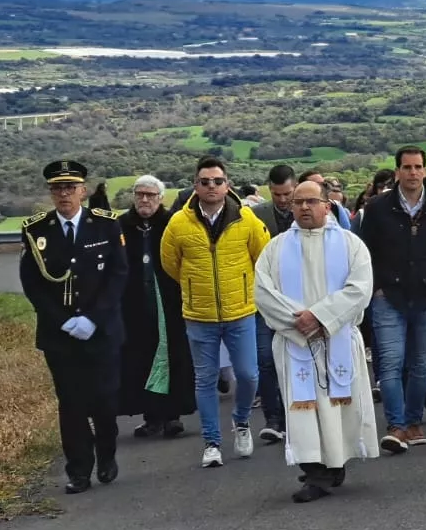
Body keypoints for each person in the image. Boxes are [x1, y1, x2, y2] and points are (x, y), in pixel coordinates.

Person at [254, 181, 381, 503]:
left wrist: (322, 317)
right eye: (298, 203)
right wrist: (301, 321)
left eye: (311, 201)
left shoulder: (351, 244)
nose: (304, 208)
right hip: (295, 341)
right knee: (304, 409)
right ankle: (315, 470)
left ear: (327, 205)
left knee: (336, 407)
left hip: (336, 338)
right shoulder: (276, 248)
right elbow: (263, 292)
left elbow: (359, 289)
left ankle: (334, 465)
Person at [20, 160, 128, 494]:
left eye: (70, 187)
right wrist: (63, 320)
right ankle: (79, 470)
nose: (64, 194)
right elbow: (33, 283)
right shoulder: (37, 230)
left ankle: (106, 455)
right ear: (51, 193)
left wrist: (92, 318)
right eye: (57, 189)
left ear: (83, 190)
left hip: (101, 331)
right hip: (60, 336)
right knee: (71, 403)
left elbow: (118, 275)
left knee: (105, 400)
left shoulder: (106, 225)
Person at [161, 156, 271, 469]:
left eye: (218, 181)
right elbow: (171, 263)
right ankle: (211, 442)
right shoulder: (179, 223)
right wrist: (195, 286)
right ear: (195, 186)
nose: (212, 186)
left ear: (228, 185)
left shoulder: (246, 219)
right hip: (199, 315)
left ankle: (241, 420)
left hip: (241, 311)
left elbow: (262, 257)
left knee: (249, 374)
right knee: (205, 380)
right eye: (205, 181)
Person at [358, 145, 426, 453]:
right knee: (390, 363)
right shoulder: (377, 207)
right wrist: (375, 287)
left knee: (420, 363)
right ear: (397, 171)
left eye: (418, 167)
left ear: (425, 171)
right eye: (407, 167)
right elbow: (364, 251)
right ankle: (396, 426)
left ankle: (414, 423)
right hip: (388, 295)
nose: (413, 173)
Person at [118, 175, 195, 439]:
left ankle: (172, 416)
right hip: (135, 305)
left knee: (172, 357)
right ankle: (151, 417)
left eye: (150, 195)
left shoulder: (171, 223)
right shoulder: (123, 225)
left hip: (169, 303)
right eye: (140, 194)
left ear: (160, 198)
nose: (144, 199)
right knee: (141, 359)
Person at [249, 163, 298, 444]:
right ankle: (273, 419)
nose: (282, 200)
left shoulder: (307, 212)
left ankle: (298, 413)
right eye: (277, 195)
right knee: (265, 360)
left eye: (287, 194)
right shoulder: (255, 216)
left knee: (297, 360)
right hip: (264, 301)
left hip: (298, 299)